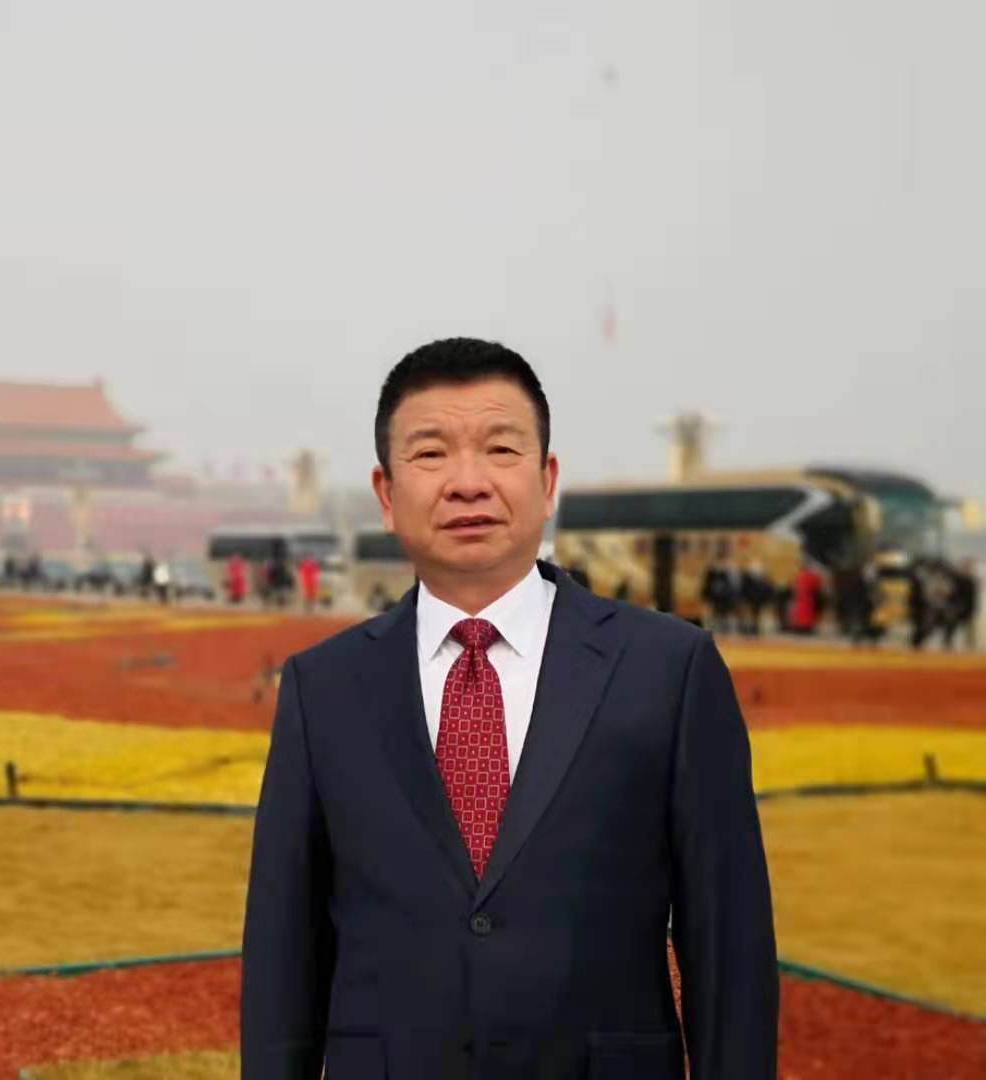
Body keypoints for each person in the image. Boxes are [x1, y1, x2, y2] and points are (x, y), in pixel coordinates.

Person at [241, 339, 776, 1080]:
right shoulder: (322, 688)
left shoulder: (668, 670)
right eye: (431, 454)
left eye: (500, 449)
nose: (469, 484)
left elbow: (729, 947)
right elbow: (282, 953)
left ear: (547, 481)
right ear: (386, 494)